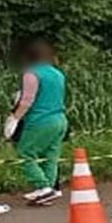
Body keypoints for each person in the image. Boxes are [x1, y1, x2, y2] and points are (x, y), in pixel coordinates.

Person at [6, 38, 68, 205]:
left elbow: (27, 100)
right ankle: (49, 190)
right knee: (51, 156)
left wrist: (14, 118)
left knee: (26, 153)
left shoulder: (32, 73)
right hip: (60, 119)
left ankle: (43, 186)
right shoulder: (57, 73)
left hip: (40, 120)